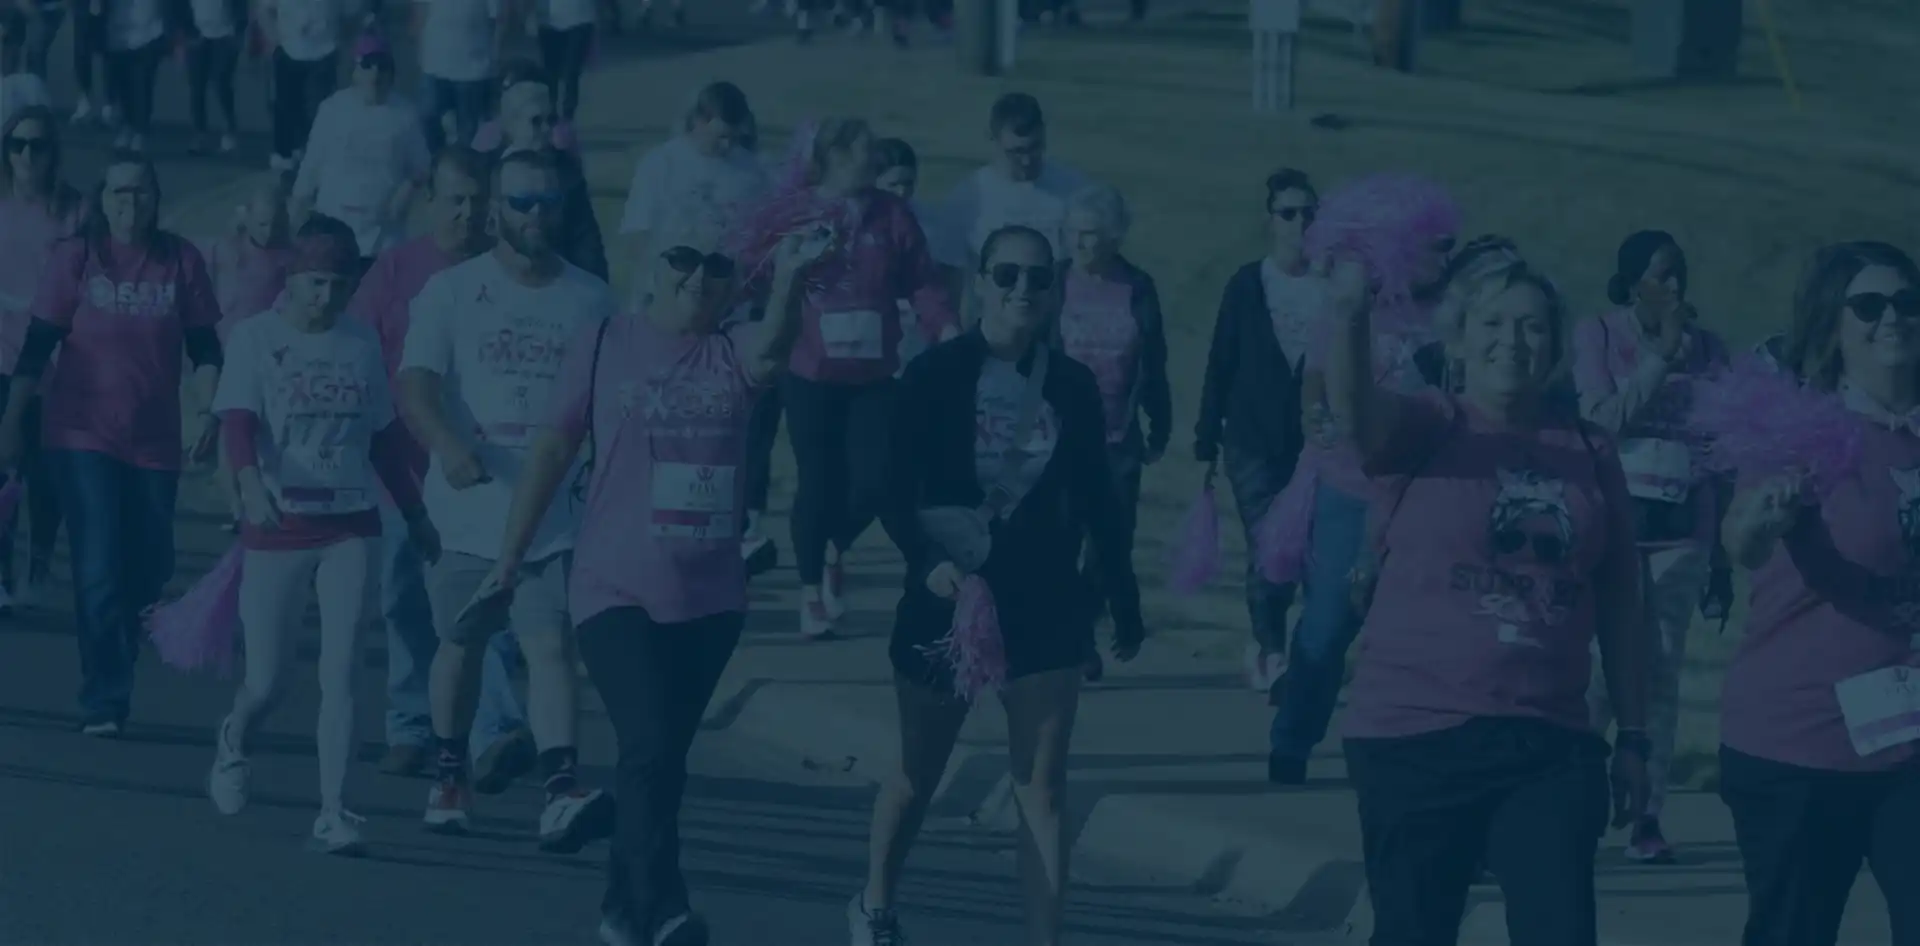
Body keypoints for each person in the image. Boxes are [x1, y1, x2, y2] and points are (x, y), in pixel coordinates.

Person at [486, 220, 815, 946]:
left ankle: (622, 908)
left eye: (717, 267)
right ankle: (659, 913)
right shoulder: (606, 344)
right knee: (648, 748)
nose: (699, 275)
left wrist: (787, 277)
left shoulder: (734, 351)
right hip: (614, 590)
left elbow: (774, 346)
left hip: (710, 601)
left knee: (661, 762)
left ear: (734, 285)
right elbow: (551, 447)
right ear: (654, 266)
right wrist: (510, 554)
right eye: (684, 257)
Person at [1323, 253, 1651, 945]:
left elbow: (1623, 600)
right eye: (1494, 322)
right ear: (1459, 338)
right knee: (1415, 931)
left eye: (1533, 326)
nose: (1514, 340)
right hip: (1416, 736)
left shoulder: (1590, 450)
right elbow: (1354, 412)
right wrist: (1351, 316)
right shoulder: (1427, 424)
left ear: (1557, 345)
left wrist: (1636, 737)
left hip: (1550, 742)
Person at [855, 224, 1144, 946]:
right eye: (1007, 274)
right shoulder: (934, 375)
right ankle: (876, 904)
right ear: (981, 281)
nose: (1022, 289)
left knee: (1041, 791)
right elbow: (889, 485)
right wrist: (926, 561)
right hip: (947, 598)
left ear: (1054, 292)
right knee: (917, 779)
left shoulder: (1072, 386)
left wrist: (1121, 597)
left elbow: (1099, 501)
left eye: (1038, 278)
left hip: (1043, 601)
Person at [397, 149, 616, 848]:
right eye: (521, 202)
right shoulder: (453, 292)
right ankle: (450, 771)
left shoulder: (591, 297)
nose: (535, 216)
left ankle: (559, 786)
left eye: (548, 202)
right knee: (461, 645)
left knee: (552, 647)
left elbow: (615, 401)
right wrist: (446, 445)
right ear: (496, 208)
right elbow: (417, 383)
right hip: (467, 510)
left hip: (552, 513)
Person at [205, 217, 439, 855]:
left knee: (342, 672)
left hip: (350, 526)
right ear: (292, 278)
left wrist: (417, 516)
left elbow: (387, 441)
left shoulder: (361, 344)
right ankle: (234, 737)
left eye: (338, 284)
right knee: (270, 680)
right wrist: (250, 487)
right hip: (278, 526)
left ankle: (335, 809)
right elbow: (237, 425)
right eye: (314, 282)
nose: (325, 297)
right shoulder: (256, 339)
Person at [1715, 241, 1920, 946]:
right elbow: (1739, 541)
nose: (1891, 317)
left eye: (1906, 301)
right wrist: (1761, 518)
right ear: (1834, 325)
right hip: (1797, 745)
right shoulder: (1803, 430)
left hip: (1909, 748)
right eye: (1868, 304)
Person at [0, 151, 224, 736]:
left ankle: (118, 644)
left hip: (153, 439)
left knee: (151, 565)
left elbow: (205, 348)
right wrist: (9, 423)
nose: (131, 204)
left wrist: (208, 408)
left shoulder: (180, 260)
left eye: (142, 193)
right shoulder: (75, 259)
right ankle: (104, 695)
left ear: (156, 199)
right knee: (97, 564)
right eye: (120, 193)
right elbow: (36, 346)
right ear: (102, 200)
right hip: (80, 435)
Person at [1259, 173, 1459, 786]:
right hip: (1351, 486)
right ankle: (1292, 739)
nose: (1443, 254)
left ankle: (1403, 748)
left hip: (1427, 495)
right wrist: (1313, 414)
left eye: (1449, 244)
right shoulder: (1356, 305)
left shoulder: (1457, 314)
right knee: (1326, 626)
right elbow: (1316, 374)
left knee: (1416, 634)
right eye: (1433, 243)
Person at [727, 117, 956, 638]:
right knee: (818, 480)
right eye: (862, 153)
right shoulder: (796, 213)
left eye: (875, 153)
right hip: (808, 369)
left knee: (877, 478)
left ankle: (834, 545)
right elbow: (753, 267)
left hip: (875, 373)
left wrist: (946, 329)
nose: (873, 162)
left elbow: (922, 281)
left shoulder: (892, 215)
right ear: (830, 158)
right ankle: (811, 593)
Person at [351, 146, 531, 784]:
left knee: (478, 604)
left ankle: (493, 734)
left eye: (478, 201)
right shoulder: (396, 272)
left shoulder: (507, 274)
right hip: (405, 470)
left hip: (485, 469)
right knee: (403, 598)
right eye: (455, 199)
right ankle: (411, 725)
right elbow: (355, 356)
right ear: (430, 201)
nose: (467, 211)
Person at [1573, 230, 1732, 866]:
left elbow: (1720, 455)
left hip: (1682, 532)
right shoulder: (1599, 336)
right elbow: (1602, 423)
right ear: (1632, 281)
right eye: (1660, 275)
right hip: (1612, 527)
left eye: (1680, 275)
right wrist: (1660, 358)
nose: (1673, 288)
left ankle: (1649, 814)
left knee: (1662, 671)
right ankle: (1574, 799)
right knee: (1599, 675)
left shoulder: (1713, 350)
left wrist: (1719, 555)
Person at [1193, 169, 1314, 692]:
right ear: (1270, 220)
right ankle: (1271, 650)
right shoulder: (1247, 284)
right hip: (1249, 441)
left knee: (1309, 550)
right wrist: (1204, 440)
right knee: (1268, 546)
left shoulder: (1336, 288)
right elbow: (1220, 362)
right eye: (1288, 212)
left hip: (1314, 445)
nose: (1300, 223)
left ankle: (1293, 643)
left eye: (1309, 213)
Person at [1056, 184, 1168, 681]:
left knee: (1110, 545)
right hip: (1057, 442)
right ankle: (1074, 640)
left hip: (1119, 438)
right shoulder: (1052, 284)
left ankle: (1081, 626)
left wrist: (1159, 421)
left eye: (1092, 235)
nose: (1081, 245)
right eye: (1074, 234)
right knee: (1060, 541)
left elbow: (1155, 362)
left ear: (1115, 238)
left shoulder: (1137, 288)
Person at [0, 105, 80, 611]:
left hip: (57, 361)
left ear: (54, 153)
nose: (28, 154)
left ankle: (40, 561)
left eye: (38, 145)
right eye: (18, 144)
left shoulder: (75, 210)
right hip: (0, 355)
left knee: (44, 473)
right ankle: (3, 573)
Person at [934, 93, 1093, 325]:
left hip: (1059, 330)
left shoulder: (1073, 188)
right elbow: (950, 277)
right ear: (993, 139)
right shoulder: (969, 196)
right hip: (991, 330)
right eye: (1016, 152)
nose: (1027, 160)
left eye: (1035, 148)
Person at [291, 33, 431, 266]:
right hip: (333, 232)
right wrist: (297, 208)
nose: (375, 74)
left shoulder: (405, 115)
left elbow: (423, 167)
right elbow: (311, 164)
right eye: (367, 65)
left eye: (383, 66)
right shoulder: (332, 109)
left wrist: (406, 189)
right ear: (354, 72)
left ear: (392, 73)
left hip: (383, 237)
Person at [616, 81, 765, 285]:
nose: (727, 145)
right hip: (670, 287)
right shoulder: (660, 164)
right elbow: (637, 235)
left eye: (734, 138)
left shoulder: (752, 170)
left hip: (726, 289)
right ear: (698, 121)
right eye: (720, 137)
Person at [493, 78, 606, 280]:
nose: (547, 129)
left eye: (551, 120)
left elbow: (587, 245)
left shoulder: (568, 173)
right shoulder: (486, 170)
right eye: (536, 121)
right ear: (511, 123)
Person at [261, 0, 356, 171]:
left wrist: (342, 45)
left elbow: (349, 13)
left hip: (324, 51)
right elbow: (266, 9)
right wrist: (274, 39)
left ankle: (314, 153)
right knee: (286, 103)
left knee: (319, 106)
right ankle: (286, 151)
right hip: (288, 48)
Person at [414, 0, 502, 151]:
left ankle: (465, 169)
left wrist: (495, 55)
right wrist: (419, 51)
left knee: (468, 130)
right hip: (433, 65)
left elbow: (500, 19)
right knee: (428, 121)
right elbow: (419, 12)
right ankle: (435, 167)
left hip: (473, 69)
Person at [184, 0, 245, 154]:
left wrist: (239, 32)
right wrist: (185, 30)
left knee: (221, 82)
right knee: (196, 86)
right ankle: (200, 134)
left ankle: (230, 132)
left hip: (226, 34)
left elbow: (241, 5)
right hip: (196, 34)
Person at [536, 0, 594, 122]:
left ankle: (568, 116)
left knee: (571, 71)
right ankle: (551, 110)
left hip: (580, 19)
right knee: (550, 72)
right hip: (548, 20)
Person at [0, 10, 51, 133]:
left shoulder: (32, 85)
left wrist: (19, 117)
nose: (5, 48)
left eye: (9, 42)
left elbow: (47, 128)